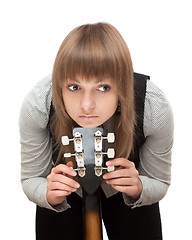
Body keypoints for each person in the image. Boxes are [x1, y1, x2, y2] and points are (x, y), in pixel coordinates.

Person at [19, 22, 174, 240]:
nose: (87, 105)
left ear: (122, 85)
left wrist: (139, 187)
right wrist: (47, 193)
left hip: (127, 187)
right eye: (74, 87)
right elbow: (31, 178)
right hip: (66, 188)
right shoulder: (38, 104)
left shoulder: (153, 108)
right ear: (59, 85)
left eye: (103, 88)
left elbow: (159, 181)